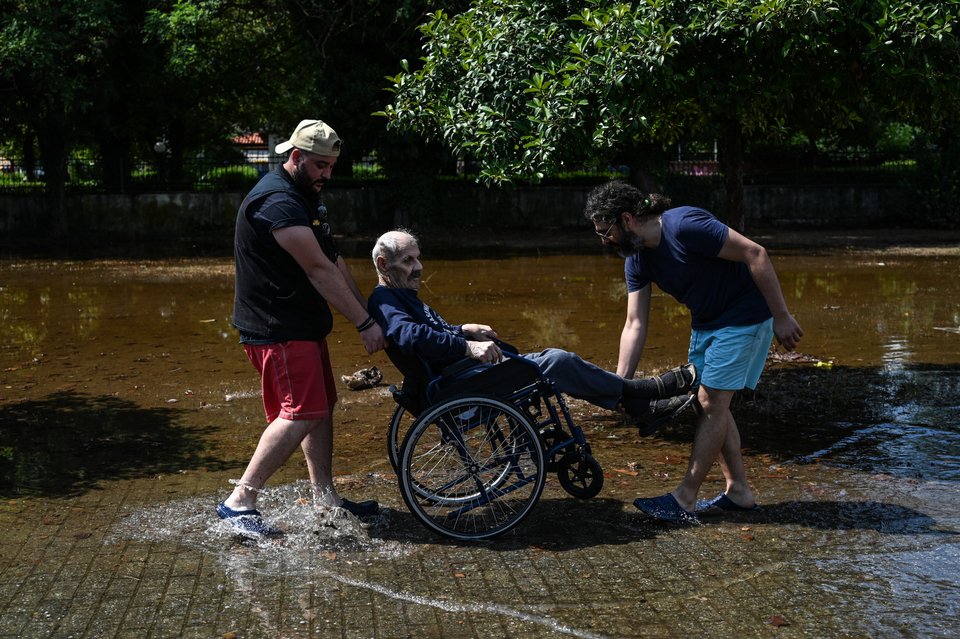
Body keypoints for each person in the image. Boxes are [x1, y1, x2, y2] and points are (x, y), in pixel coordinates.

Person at [584, 180, 804, 523]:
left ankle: (685, 498)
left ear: (626, 219)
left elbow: (755, 253)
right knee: (710, 401)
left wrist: (782, 316)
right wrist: (619, 384)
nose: (604, 240)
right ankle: (739, 492)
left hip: (745, 316)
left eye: (605, 231)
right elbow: (634, 323)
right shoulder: (638, 259)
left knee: (711, 400)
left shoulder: (686, 225)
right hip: (706, 322)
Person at [218, 119, 386, 537]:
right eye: (321, 165)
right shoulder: (277, 202)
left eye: (332, 166)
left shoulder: (304, 195)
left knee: (320, 406)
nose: (328, 174)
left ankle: (325, 498)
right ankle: (240, 500)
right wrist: (363, 322)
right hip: (278, 327)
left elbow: (333, 260)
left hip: (300, 324)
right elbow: (316, 270)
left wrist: (370, 312)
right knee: (300, 412)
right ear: (296, 157)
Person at [367, 229, 697, 425]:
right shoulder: (386, 300)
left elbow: (429, 332)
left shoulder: (400, 296)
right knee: (558, 360)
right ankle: (641, 392)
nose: (418, 267)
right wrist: (466, 345)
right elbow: (410, 336)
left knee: (546, 359)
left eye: (418, 258)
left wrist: (462, 329)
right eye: (408, 261)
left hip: (464, 374)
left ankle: (635, 404)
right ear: (384, 265)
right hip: (457, 385)